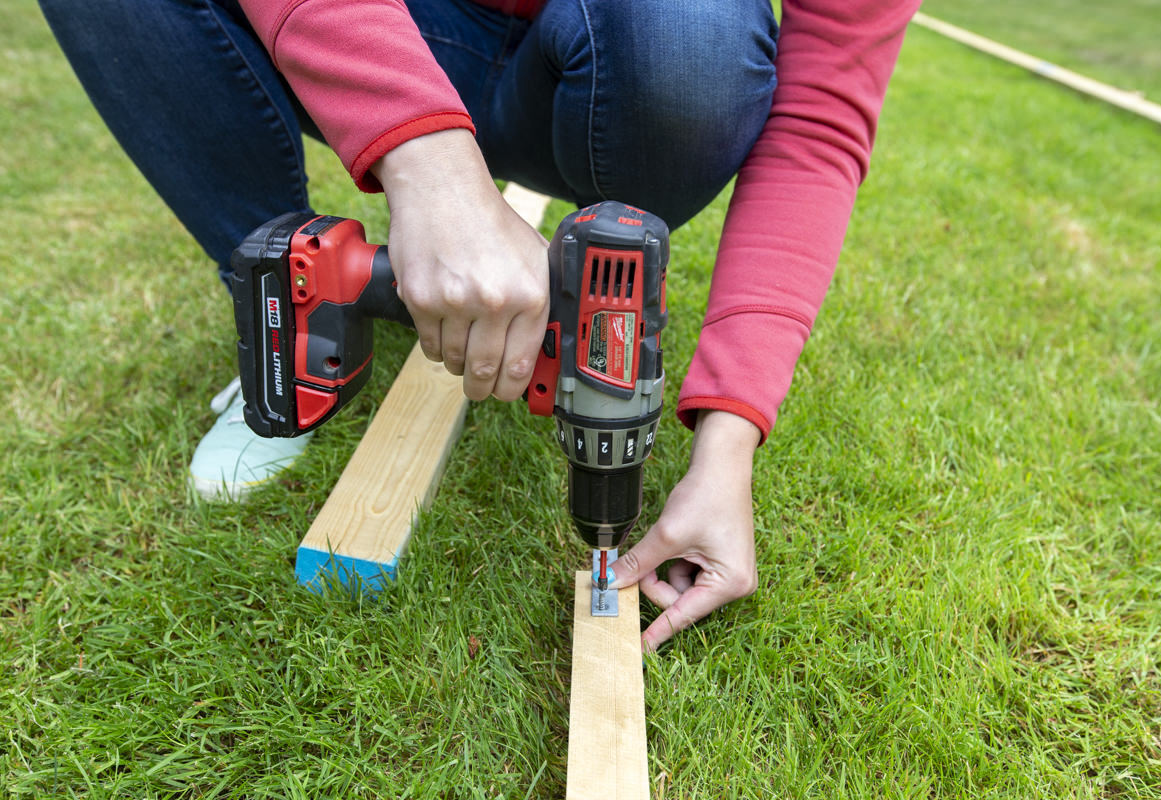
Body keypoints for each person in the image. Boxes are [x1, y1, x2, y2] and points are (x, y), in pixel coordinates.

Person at [39, 0, 920, 650]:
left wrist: (727, 447)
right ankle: (290, 318)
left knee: (693, 43)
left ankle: (335, 293)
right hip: (394, 19)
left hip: (598, 57)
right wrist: (422, 154)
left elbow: (816, 124)